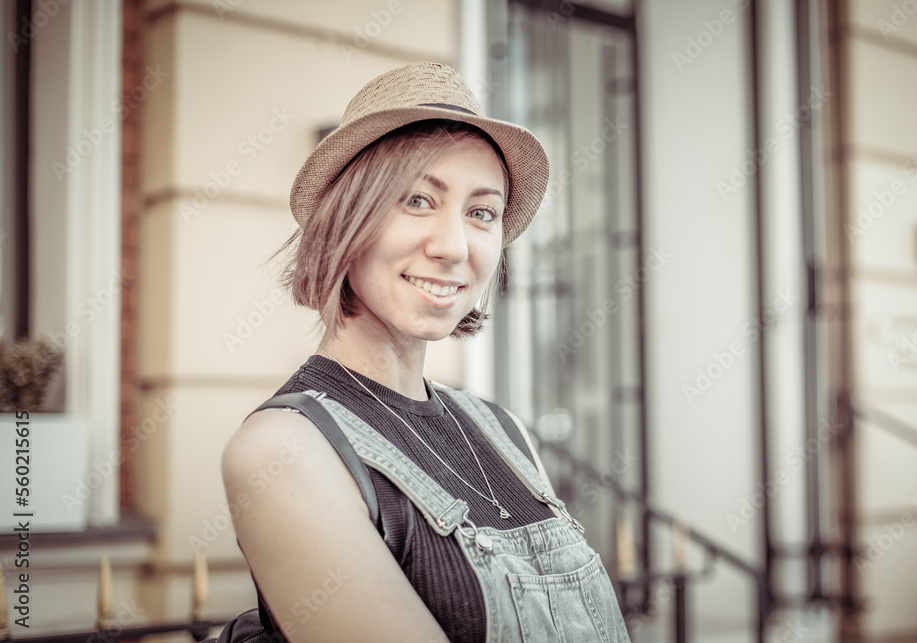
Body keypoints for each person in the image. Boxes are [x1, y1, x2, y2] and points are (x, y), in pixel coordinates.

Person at [221, 61, 633, 643]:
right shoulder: (285, 450)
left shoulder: (503, 431)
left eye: (482, 213)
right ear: (346, 221)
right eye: (417, 200)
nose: (454, 246)